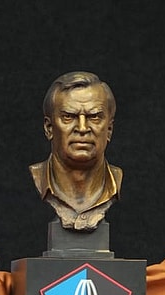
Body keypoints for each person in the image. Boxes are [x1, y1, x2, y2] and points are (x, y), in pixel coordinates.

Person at [29, 71, 122, 231]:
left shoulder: (115, 182)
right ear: (49, 128)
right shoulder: (38, 176)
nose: (82, 128)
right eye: (68, 117)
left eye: (94, 117)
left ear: (109, 130)